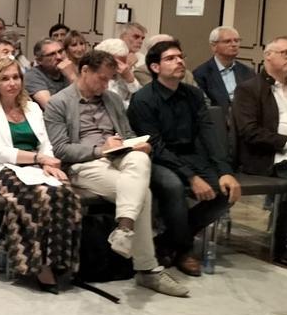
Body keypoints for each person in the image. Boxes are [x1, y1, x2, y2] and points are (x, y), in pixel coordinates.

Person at [45, 50, 189, 297]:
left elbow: (128, 133)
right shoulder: (59, 103)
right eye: (102, 78)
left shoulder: (111, 99)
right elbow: (60, 148)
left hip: (120, 158)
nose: (106, 84)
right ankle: (147, 269)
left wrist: (139, 143)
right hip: (86, 164)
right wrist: (100, 150)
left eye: (110, 79)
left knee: (140, 158)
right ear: (85, 71)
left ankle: (124, 229)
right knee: (142, 194)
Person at [128, 40, 240, 276]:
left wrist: (224, 170)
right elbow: (156, 146)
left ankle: (168, 242)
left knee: (227, 191)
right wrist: (191, 178)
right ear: (155, 68)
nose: (179, 61)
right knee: (173, 185)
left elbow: (209, 134)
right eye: (170, 58)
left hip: (190, 154)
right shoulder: (143, 100)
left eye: (180, 56)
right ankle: (185, 249)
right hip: (158, 158)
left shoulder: (193, 94)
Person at [0, 58, 80, 292]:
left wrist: (48, 163)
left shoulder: (31, 107)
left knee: (63, 192)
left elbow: (45, 142)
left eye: (16, 77)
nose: (12, 83)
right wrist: (39, 159)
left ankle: (60, 259)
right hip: (0, 169)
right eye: (5, 78)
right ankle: (37, 264)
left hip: (34, 168)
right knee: (38, 196)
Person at [233, 37, 287, 189]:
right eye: (286, 53)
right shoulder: (249, 89)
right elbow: (250, 132)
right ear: (268, 55)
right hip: (279, 159)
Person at [193, 26, 254, 112]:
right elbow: (204, 107)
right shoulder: (201, 74)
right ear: (214, 46)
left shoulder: (248, 72)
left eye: (237, 41)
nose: (234, 44)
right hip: (218, 121)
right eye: (228, 41)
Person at [25, 38, 76, 108]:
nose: (59, 57)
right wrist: (72, 76)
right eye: (52, 54)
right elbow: (51, 108)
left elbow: (86, 100)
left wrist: (72, 75)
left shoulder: (68, 69)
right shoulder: (32, 76)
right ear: (39, 60)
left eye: (60, 51)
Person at [95, 38, 142, 106]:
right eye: (116, 63)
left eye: (123, 62)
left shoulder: (124, 73)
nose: (120, 67)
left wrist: (130, 80)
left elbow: (141, 100)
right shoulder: (94, 77)